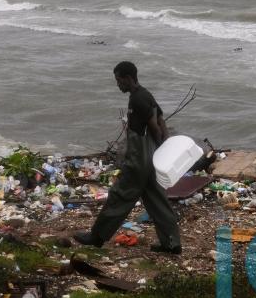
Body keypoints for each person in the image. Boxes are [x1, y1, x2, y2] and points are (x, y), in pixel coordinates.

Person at [74, 61, 182, 254]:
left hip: (140, 159)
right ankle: (172, 244)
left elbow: (154, 126)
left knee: (119, 196)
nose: (118, 85)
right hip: (151, 159)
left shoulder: (137, 99)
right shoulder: (146, 94)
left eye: (118, 80)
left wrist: (158, 146)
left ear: (128, 78)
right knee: (157, 200)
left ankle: (96, 237)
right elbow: (161, 120)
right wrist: (162, 149)